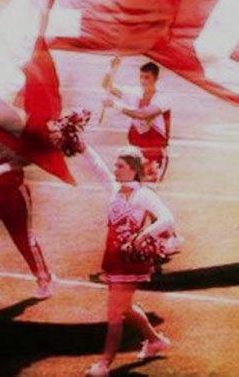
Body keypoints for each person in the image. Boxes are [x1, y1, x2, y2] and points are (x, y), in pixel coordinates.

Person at [79, 139, 175, 377]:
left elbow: (167, 218)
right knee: (124, 307)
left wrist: (143, 235)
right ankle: (154, 340)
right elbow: (98, 166)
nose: (115, 169)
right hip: (114, 257)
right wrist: (82, 147)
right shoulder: (115, 189)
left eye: (120, 166)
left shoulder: (143, 195)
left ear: (133, 169)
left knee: (114, 310)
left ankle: (104, 364)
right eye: (116, 165)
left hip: (130, 260)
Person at [0, 138, 54, 306]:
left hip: (13, 192)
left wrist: (1, 169)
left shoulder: (11, 126)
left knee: (24, 240)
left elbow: (30, 156)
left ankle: (44, 279)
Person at [101, 58, 171, 184]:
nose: (143, 81)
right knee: (130, 189)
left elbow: (142, 115)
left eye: (147, 77)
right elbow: (107, 86)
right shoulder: (134, 93)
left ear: (155, 78)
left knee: (148, 190)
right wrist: (112, 68)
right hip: (135, 153)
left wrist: (115, 105)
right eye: (141, 77)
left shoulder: (163, 98)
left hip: (154, 153)